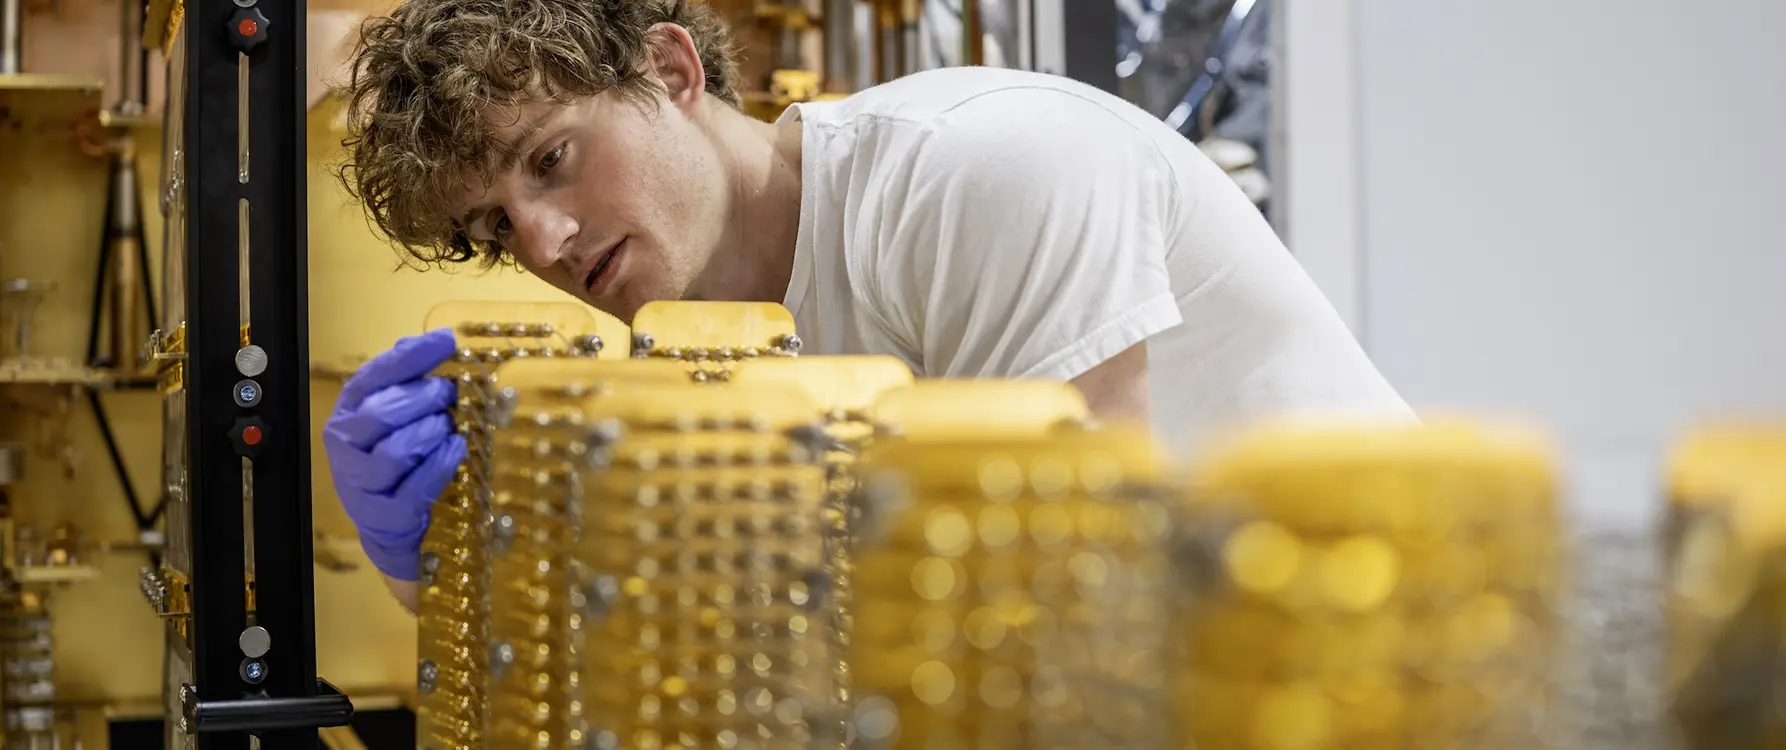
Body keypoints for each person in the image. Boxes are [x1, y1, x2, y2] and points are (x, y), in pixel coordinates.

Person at [322, 0, 1412, 609]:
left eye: (553, 159)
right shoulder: (710, 356)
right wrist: (435, 569)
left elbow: (1079, 595)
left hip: (1352, 663)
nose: (544, 243)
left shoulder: (979, 172)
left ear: (670, 69)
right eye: (494, 229)